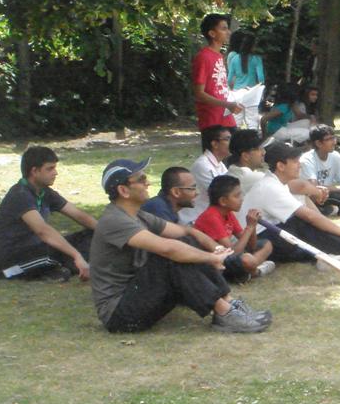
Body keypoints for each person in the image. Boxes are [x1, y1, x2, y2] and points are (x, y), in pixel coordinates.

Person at [90, 157, 270, 334]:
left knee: (185, 243)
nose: (148, 183)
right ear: (124, 190)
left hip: (137, 295)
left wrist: (209, 245)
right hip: (119, 314)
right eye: (141, 179)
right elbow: (169, 249)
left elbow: (182, 231)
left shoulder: (137, 215)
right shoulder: (115, 220)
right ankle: (224, 313)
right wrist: (211, 258)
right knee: (169, 257)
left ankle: (228, 303)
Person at [240, 143, 340, 271]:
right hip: (257, 241)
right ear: (281, 166)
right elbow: (309, 216)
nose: (300, 165)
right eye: (295, 162)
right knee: (299, 222)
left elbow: (310, 210)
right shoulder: (270, 187)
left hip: (267, 235)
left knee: (302, 222)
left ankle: (329, 257)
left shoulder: (277, 183)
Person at [0, 146, 97, 281]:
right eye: (50, 169)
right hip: (11, 263)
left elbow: (79, 215)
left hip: (38, 249)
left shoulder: (44, 192)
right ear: (34, 171)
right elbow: (43, 231)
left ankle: (68, 268)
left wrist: (113, 234)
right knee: (52, 255)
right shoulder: (20, 195)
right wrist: (77, 255)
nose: (55, 173)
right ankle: (71, 267)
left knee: (92, 235)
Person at [193, 175, 276, 282]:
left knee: (266, 244)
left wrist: (253, 225)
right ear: (223, 201)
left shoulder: (228, 213)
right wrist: (249, 227)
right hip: (214, 262)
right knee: (247, 260)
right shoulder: (211, 217)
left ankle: (249, 269)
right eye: (237, 196)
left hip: (229, 256)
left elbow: (252, 246)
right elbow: (232, 253)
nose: (241, 199)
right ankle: (255, 271)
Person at [192, 13, 242, 131]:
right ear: (212, 34)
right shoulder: (203, 57)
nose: (228, 32)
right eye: (224, 29)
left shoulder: (219, 56)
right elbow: (199, 94)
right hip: (212, 120)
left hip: (226, 117)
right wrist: (228, 105)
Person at [180, 125, 231, 224]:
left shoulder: (219, 164)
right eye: (228, 139)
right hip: (194, 221)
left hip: (210, 217)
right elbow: (222, 196)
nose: (232, 143)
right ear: (215, 144)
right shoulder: (203, 166)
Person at [225, 128, 272, 195]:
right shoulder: (251, 177)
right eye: (259, 149)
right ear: (245, 156)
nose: (263, 152)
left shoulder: (233, 171)